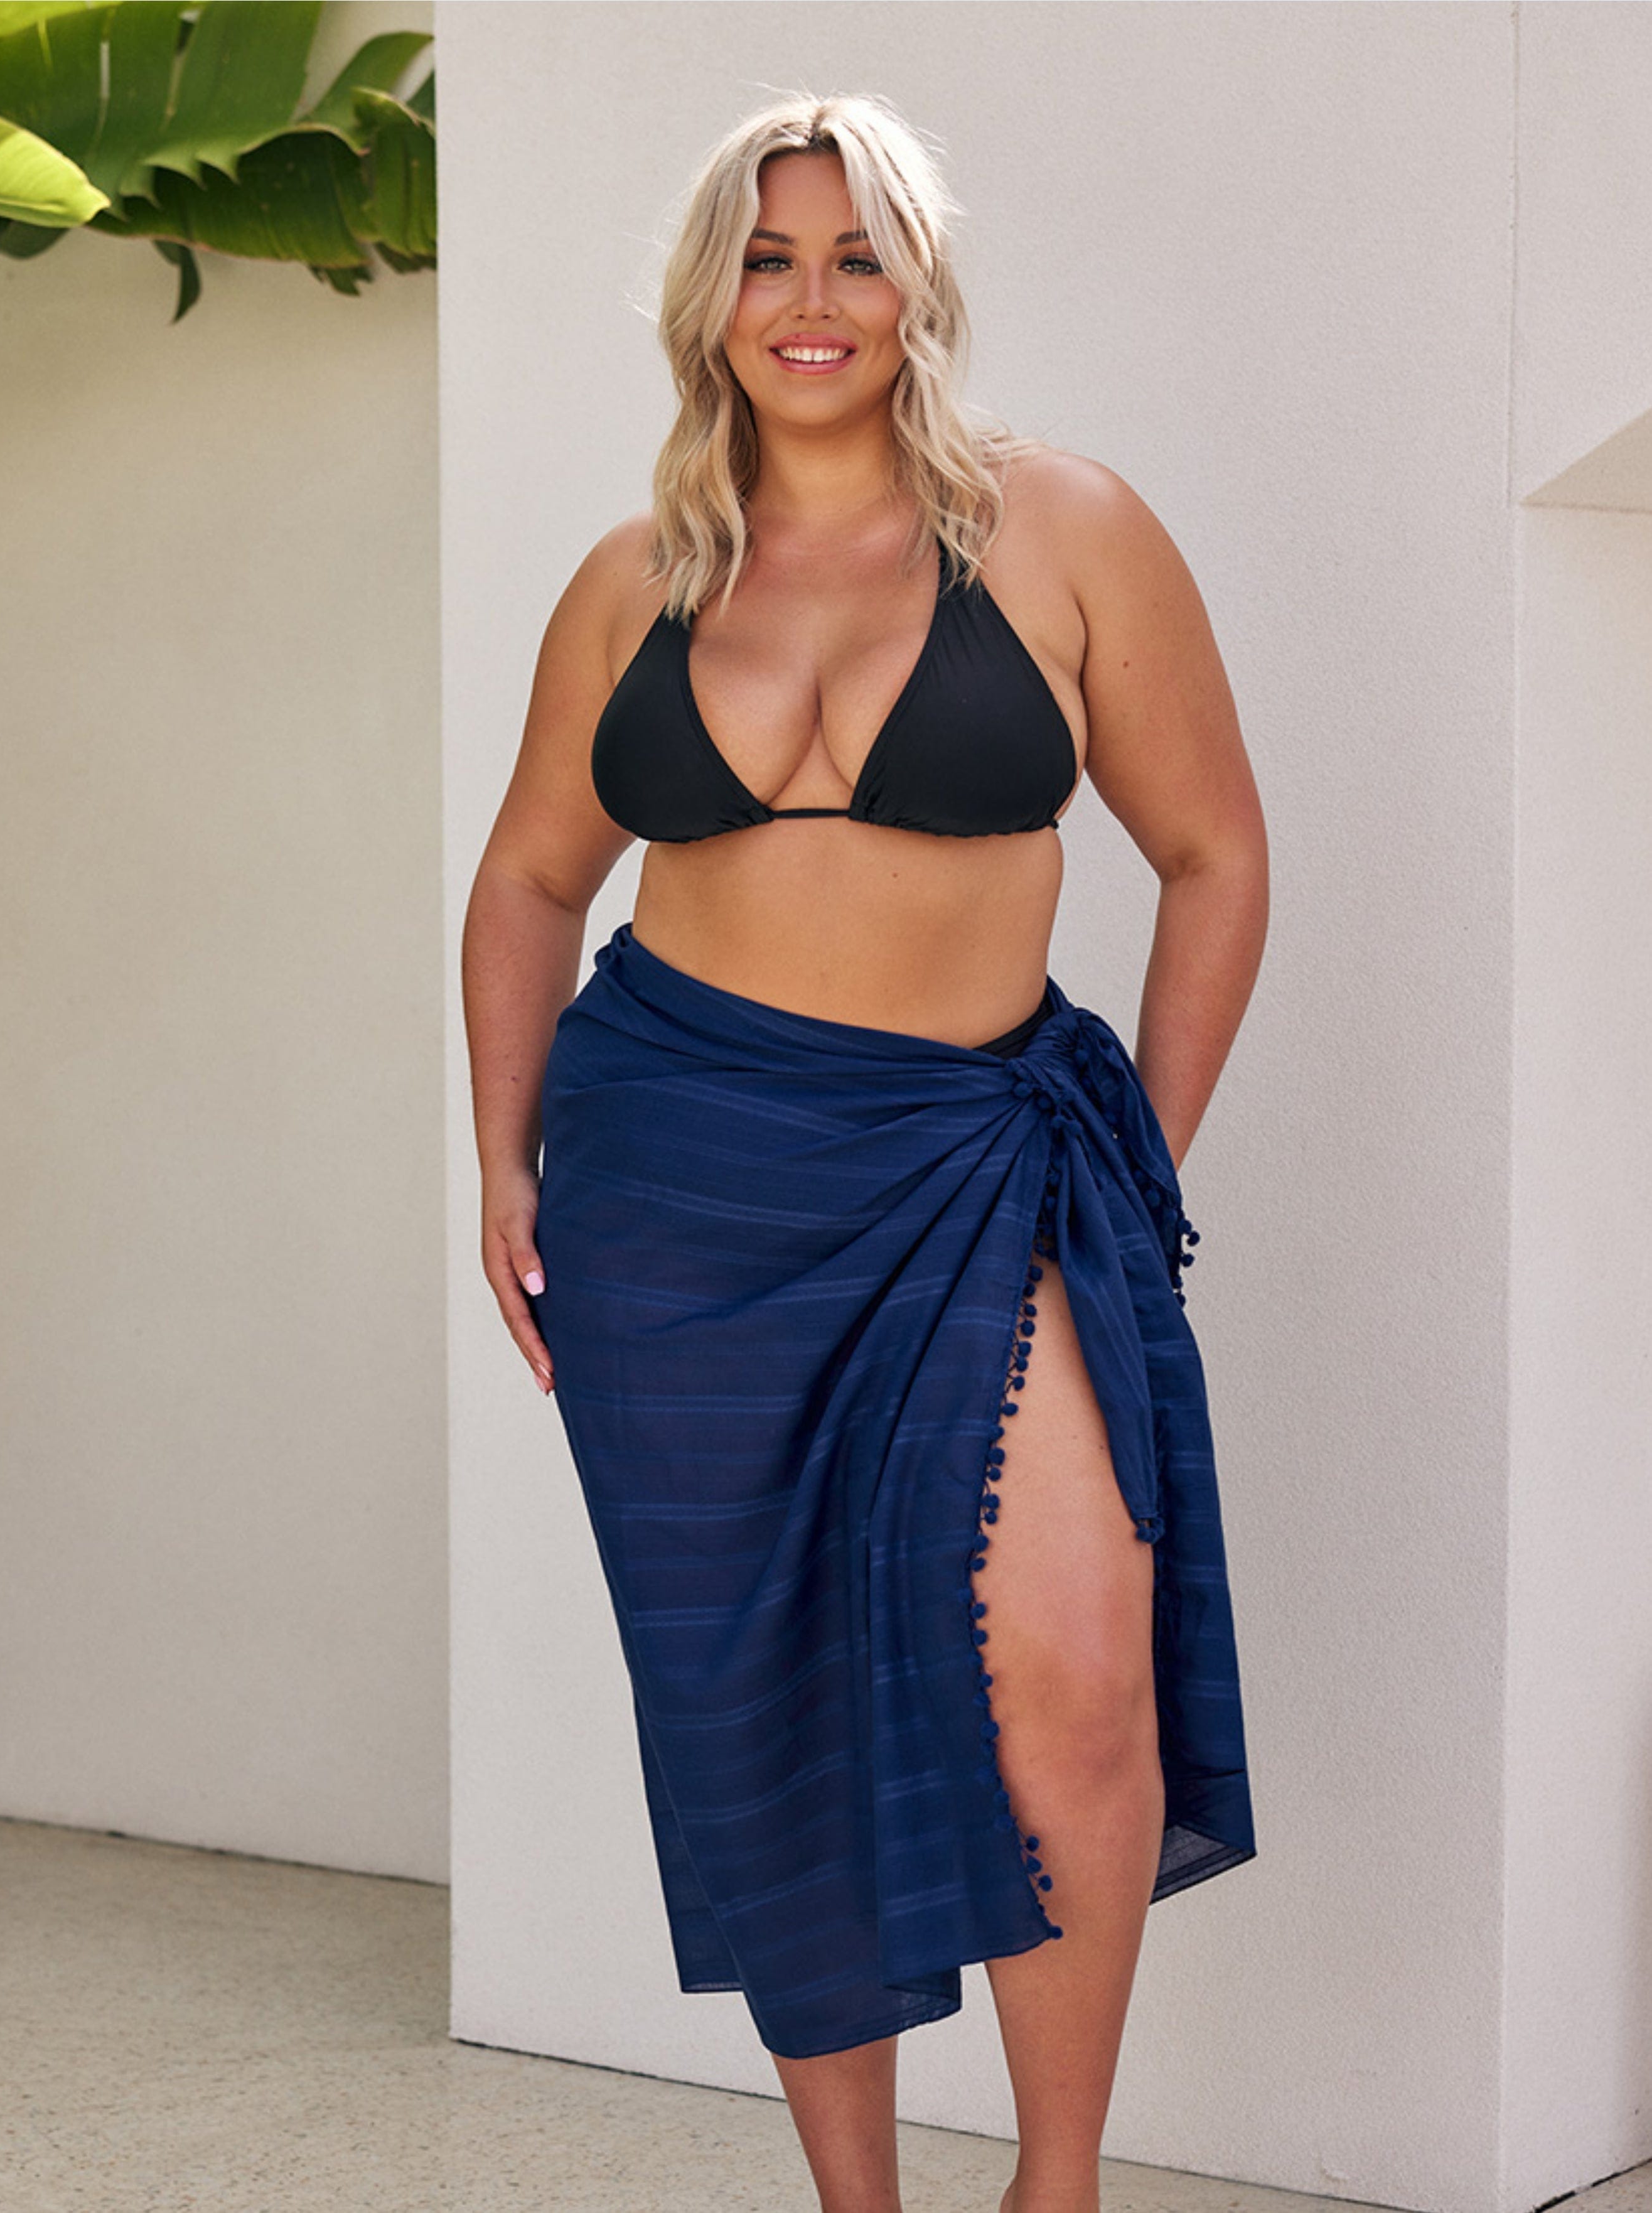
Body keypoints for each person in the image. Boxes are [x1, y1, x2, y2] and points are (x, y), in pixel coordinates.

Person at [462, 90, 1267, 2213]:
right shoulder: (634, 582)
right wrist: (503, 1159)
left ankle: (1058, 2183)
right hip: (670, 1191)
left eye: (851, 255)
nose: (807, 302)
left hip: (966, 1165)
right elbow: (535, 881)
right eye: (762, 257)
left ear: (917, 284)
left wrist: (1135, 1169)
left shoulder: (1062, 529)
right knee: (765, 1693)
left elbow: (1214, 855)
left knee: (1075, 1675)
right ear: (704, 297)